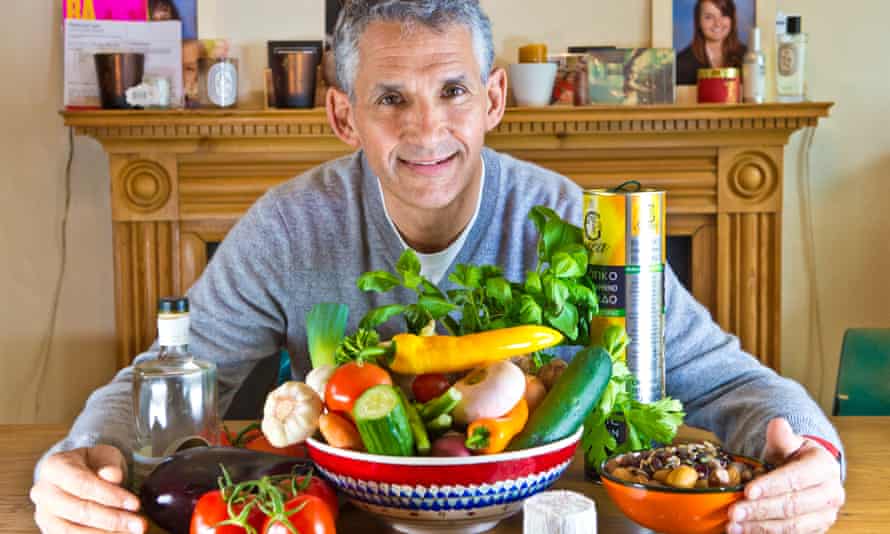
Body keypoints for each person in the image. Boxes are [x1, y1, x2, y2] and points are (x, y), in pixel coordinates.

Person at [30, 2, 844, 533]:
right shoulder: (287, 225)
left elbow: (730, 379)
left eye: (452, 91)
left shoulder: (577, 223)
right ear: (343, 113)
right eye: (391, 99)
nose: (427, 130)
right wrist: (79, 456)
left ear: (492, 100)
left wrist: (812, 452)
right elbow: (167, 374)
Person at [676, 0, 748, 85]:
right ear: (698, 21)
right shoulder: (682, 62)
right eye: (709, 17)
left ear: (732, 19)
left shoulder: (747, 57)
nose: (717, 23)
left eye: (724, 15)